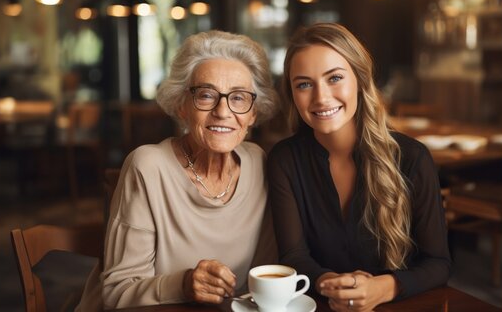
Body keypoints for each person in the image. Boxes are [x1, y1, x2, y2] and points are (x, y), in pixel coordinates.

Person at [76, 30, 278, 311]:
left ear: (253, 113)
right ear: (182, 105)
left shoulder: (260, 164)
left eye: (239, 98)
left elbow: (262, 280)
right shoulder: (148, 166)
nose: (223, 111)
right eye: (206, 95)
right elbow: (116, 292)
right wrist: (183, 284)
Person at [267, 23, 451, 311]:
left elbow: (438, 264)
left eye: (335, 78)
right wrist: (331, 284)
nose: (321, 97)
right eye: (304, 84)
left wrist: (382, 288)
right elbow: (293, 256)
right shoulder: (284, 159)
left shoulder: (413, 158)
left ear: (360, 80)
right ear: (292, 95)